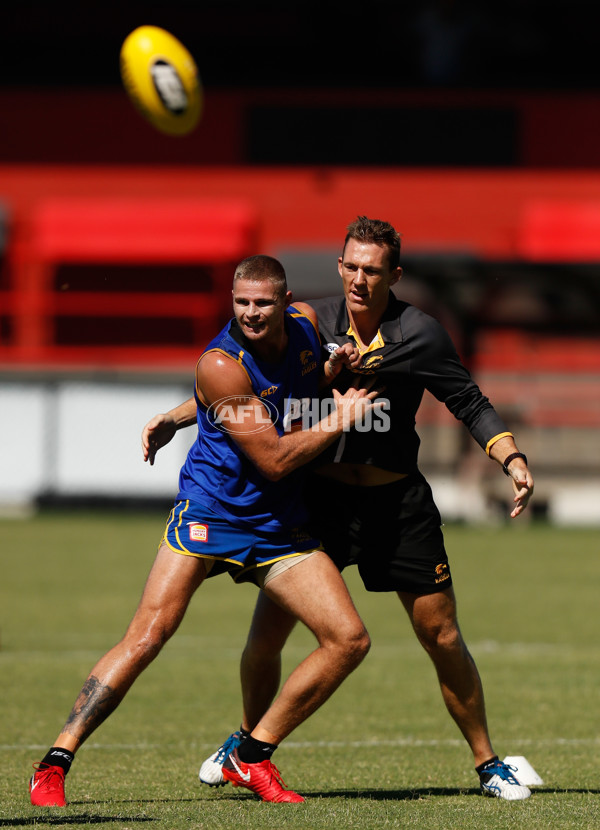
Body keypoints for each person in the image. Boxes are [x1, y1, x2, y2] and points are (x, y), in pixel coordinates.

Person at [186, 217, 535, 802]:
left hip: (397, 503)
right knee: (268, 631)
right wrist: (176, 418)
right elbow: (238, 379)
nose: (359, 279)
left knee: (442, 635)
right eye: (351, 266)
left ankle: (488, 762)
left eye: (373, 270)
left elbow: (468, 399)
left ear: (393, 275)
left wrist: (512, 457)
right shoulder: (305, 322)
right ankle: (245, 745)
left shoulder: (422, 333)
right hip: (316, 498)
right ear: (340, 266)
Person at [28, 254, 381, 807]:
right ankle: (54, 763)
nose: (251, 313)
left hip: (277, 526)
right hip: (210, 516)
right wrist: (339, 419)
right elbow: (273, 458)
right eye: (241, 303)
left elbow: (290, 390)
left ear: (286, 304)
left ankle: (252, 754)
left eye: (262, 303)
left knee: (349, 640)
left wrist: (332, 373)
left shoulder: (309, 327)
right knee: (147, 637)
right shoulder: (220, 361)